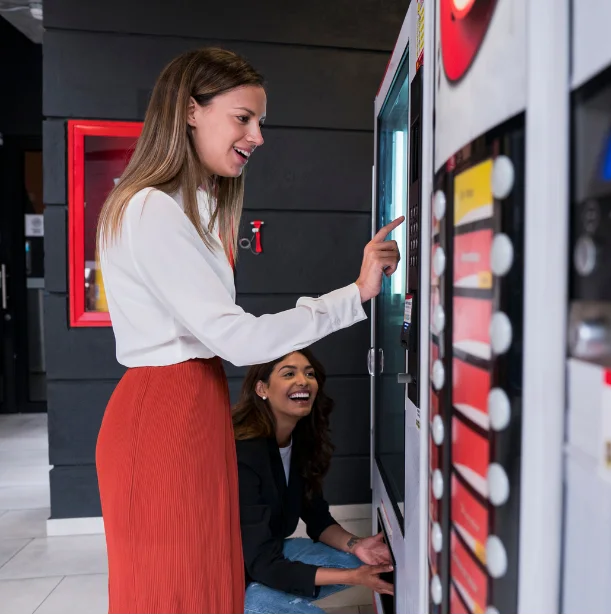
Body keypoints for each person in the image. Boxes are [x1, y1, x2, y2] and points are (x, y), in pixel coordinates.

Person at [94, 47, 403, 615]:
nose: (258, 136)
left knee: (203, 586)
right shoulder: (152, 209)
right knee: (175, 592)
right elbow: (235, 339)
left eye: (260, 121)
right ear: (191, 111)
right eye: (243, 117)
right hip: (165, 413)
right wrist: (355, 295)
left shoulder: (181, 208)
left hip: (187, 407)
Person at [233, 347, 394, 614]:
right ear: (262, 388)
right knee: (268, 605)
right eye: (289, 373)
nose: (303, 381)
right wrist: (352, 579)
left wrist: (358, 545)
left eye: (309, 373)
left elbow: (316, 517)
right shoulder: (244, 453)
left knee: (374, 559)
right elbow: (261, 564)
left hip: (269, 557)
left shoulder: (299, 442)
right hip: (233, 574)